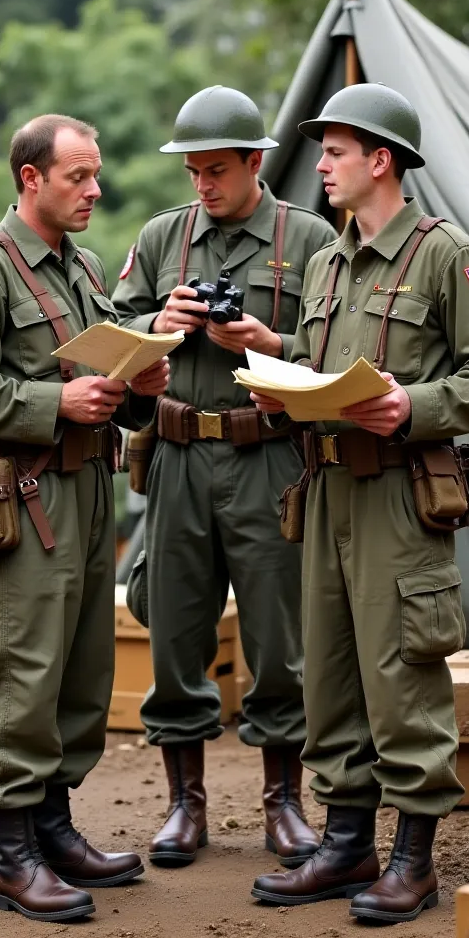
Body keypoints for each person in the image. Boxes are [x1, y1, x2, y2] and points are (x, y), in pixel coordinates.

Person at [250, 84, 469, 923]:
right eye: (321, 151)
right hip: (324, 491)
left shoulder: (447, 253)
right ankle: (345, 845)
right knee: (328, 675)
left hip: (400, 497)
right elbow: (327, 362)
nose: (320, 164)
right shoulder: (328, 261)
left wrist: (414, 407)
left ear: (381, 159)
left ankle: (414, 859)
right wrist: (280, 375)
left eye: (334, 151)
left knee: (402, 675)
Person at [0, 114, 169, 922]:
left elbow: (97, 370)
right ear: (31, 179)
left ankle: (55, 827)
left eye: (96, 175)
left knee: (80, 670)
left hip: (88, 490)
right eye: (78, 176)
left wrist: (137, 384)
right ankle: (12, 856)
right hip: (24, 495)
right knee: (26, 671)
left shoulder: (85, 266)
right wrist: (53, 400)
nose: (95, 190)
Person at [112, 85, 337, 869]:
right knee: (175, 629)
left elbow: (334, 354)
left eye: (216, 170)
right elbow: (112, 334)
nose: (202, 186)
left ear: (254, 162)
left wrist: (265, 339)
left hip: (267, 453)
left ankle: (283, 799)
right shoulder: (163, 238)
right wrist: (156, 327)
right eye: (192, 172)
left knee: (281, 638)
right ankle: (185, 801)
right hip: (176, 455)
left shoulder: (308, 239)